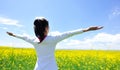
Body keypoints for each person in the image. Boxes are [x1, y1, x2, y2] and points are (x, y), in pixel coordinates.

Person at [6, 17, 103, 70]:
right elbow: (69, 34)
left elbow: (23, 37)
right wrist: (87, 29)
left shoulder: (33, 40)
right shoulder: (52, 39)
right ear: (46, 28)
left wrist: (13, 34)